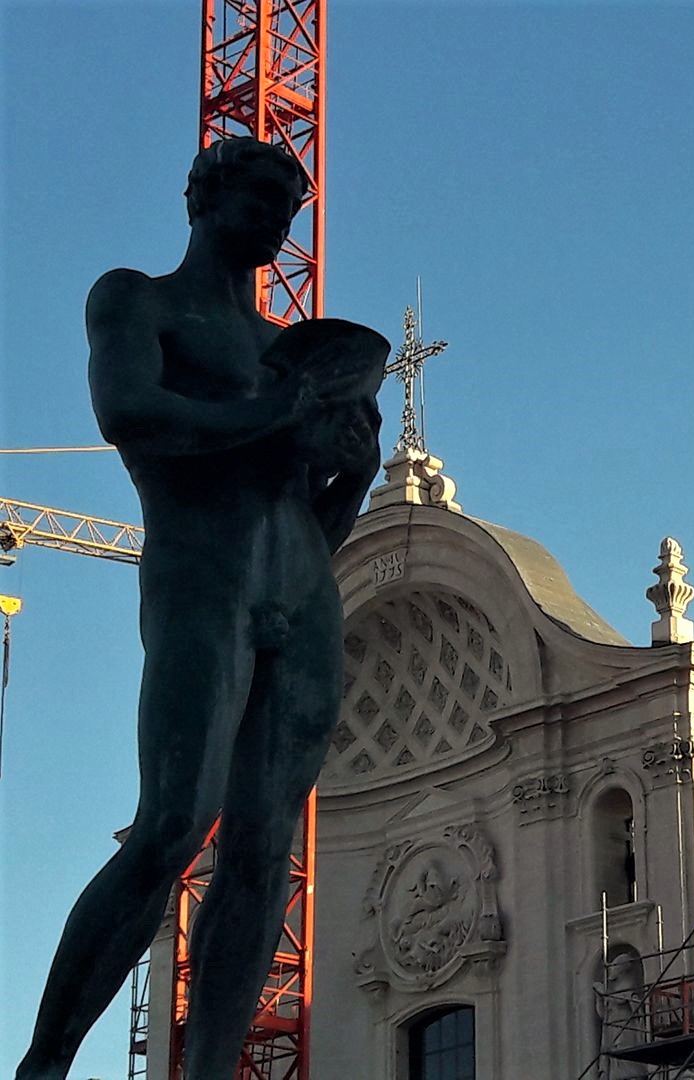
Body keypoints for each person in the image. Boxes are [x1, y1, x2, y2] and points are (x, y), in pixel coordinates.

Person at [16, 137, 387, 1080]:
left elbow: (317, 517)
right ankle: (45, 1062)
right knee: (173, 823)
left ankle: (213, 1069)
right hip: (202, 578)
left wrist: (356, 462)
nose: (278, 222)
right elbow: (130, 412)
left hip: (302, 593)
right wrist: (280, 415)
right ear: (204, 198)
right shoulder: (138, 298)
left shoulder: (283, 350)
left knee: (267, 851)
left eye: (289, 208)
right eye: (262, 199)